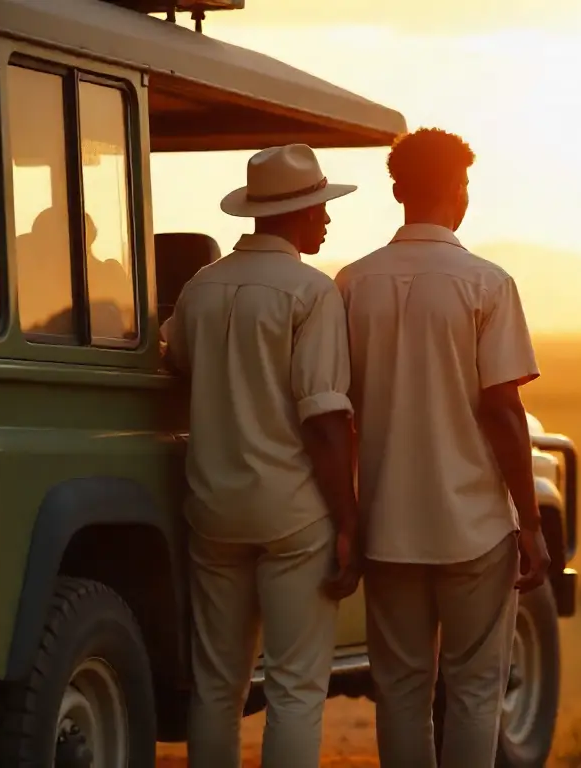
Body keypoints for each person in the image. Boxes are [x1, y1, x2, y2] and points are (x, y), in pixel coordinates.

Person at [335, 127, 552, 767]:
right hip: (475, 528)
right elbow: (504, 412)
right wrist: (531, 523)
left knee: (400, 690)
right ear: (459, 191)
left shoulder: (351, 284)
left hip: (388, 525)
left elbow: (334, 410)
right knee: (475, 689)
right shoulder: (487, 284)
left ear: (397, 190)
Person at [161, 143, 362, 768]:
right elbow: (326, 421)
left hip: (214, 510)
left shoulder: (200, 288)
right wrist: (349, 521)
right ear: (297, 213)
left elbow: (177, 365)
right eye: (320, 207)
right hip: (294, 516)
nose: (327, 219)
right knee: (297, 689)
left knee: (217, 686)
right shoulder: (311, 292)